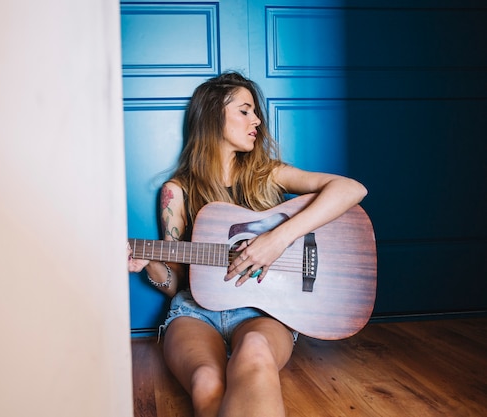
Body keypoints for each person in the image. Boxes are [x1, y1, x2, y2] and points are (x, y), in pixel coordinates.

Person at [127, 71, 367, 417]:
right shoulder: (176, 191)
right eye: (245, 110)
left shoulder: (268, 174)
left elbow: (352, 189)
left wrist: (276, 240)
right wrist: (147, 261)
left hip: (263, 311)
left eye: (255, 112)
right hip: (195, 312)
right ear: (213, 116)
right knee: (207, 380)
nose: (256, 120)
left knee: (255, 350)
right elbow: (176, 283)